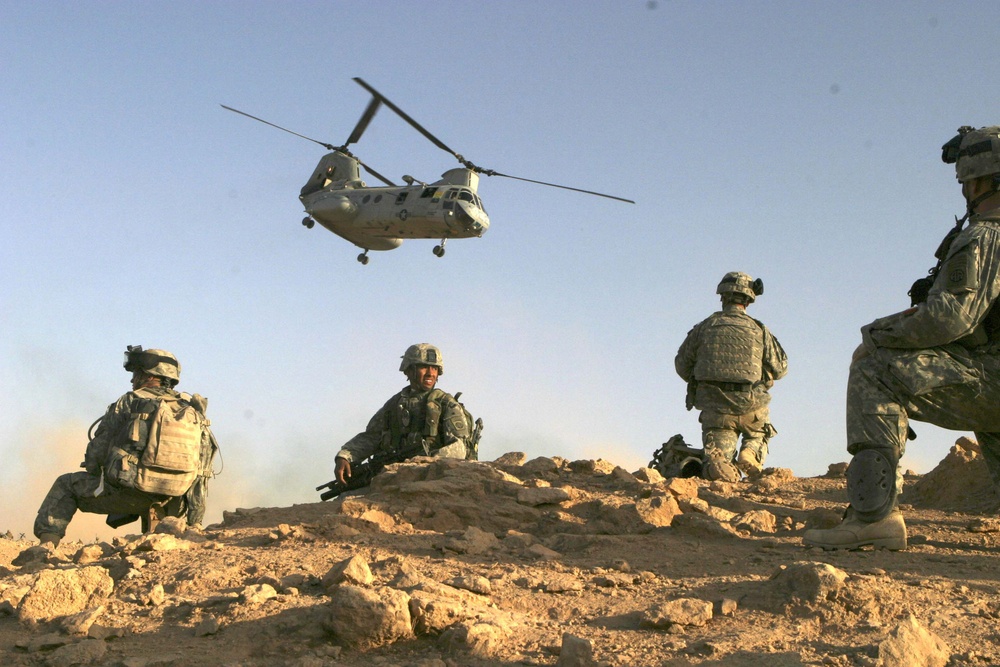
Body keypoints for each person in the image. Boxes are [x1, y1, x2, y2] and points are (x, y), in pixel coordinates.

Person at [804, 125, 1000, 551]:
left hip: (993, 380)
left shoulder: (986, 234)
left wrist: (876, 334)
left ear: (979, 178)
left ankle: (872, 517)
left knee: (875, 368)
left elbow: (950, 317)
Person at [25, 346, 217, 552]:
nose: (133, 380)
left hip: (131, 494)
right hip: (175, 501)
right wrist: (195, 523)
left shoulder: (129, 401)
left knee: (65, 485)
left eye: (137, 374)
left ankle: (44, 549)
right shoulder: (193, 412)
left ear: (149, 376)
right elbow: (203, 472)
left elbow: (97, 452)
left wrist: (99, 470)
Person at [675, 272, 788, 482]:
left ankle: (719, 467)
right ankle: (751, 451)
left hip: (716, 412)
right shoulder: (760, 330)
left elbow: (681, 366)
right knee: (758, 433)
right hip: (752, 409)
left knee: (718, 465)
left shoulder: (703, 327)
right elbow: (781, 368)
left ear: (723, 296)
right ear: (748, 300)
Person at [334, 344, 474, 485]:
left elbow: (459, 448)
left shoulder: (445, 403)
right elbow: (371, 437)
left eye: (435, 368)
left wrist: (425, 462)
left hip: (435, 479)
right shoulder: (393, 405)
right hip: (395, 478)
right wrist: (345, 456)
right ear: (408, 370)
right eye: (423, 367)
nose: (430, 373)